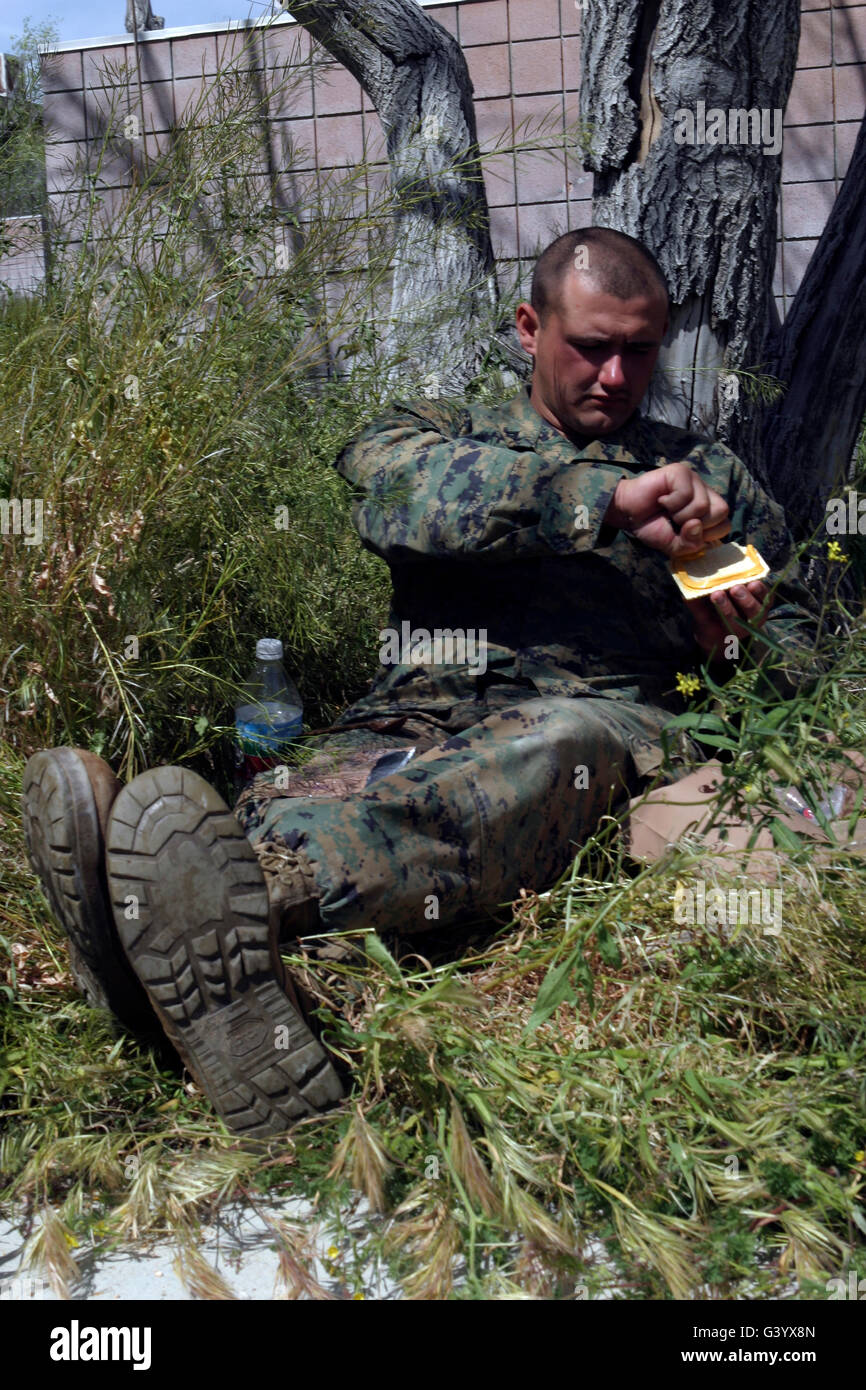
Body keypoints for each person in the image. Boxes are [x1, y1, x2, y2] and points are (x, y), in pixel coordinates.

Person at [21, 226, 823, 1139]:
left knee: (545, 750)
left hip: (595, 727)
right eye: (591, 347)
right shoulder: (441, 434)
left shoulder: (710, 485)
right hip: (408, 718)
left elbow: (798, 656)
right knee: (318, 794)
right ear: (529, 327)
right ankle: (200, 947)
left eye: (639, 351)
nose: (615, 375)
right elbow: (399, 493)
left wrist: (738, 634)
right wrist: (600, 500)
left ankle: (227, 914)